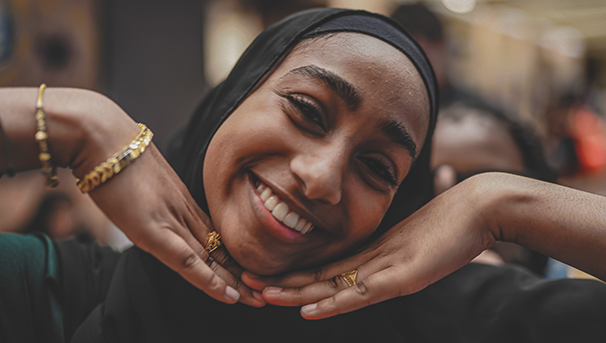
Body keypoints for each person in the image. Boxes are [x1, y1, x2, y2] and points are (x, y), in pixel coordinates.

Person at [0, 8, 605, 342]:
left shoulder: (452, 321)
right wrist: (71, 122)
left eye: (377, 167)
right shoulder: (57, 291)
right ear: (231, 98)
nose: (321, 178)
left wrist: (501, 203)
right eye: (307, 111)